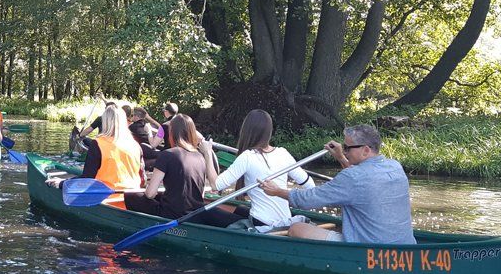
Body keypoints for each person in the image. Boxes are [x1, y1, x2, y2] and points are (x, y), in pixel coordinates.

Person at [260, 124, 416, 244]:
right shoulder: (395, 166)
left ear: (366, 150)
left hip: (367, 247)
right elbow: (362, 182)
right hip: (404, 244)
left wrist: (277, 191)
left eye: (348, 148)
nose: (345, 151)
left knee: (296, 229)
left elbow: (308, 200)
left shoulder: (353, 177)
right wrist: (341, 158)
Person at [198, 109, 315, 230]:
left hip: (261, 223)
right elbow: (311, 186)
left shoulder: (248, 157)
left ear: (246, 131)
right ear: (269, 132)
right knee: (239, 209)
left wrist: (207, 153)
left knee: (205, 212)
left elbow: (216, 185)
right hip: (285, 220)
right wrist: (292, 199)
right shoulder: (283, 153)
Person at [125, 114, 246, 227]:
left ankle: (139, 224)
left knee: (130, 196)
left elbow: (150, 194)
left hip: (172, 214)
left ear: (171, 133)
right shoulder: (200, 156)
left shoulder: (167, 154)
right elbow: (201, 193)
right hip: (194, 212)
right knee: (160, 196)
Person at [48, 104, 144, 192]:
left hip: (105, 196)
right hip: (132, 198)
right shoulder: (136, 146)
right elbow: (142, 180)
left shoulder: (98, 144)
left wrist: (62, 183)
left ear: (105, 122)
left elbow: (87, 179)